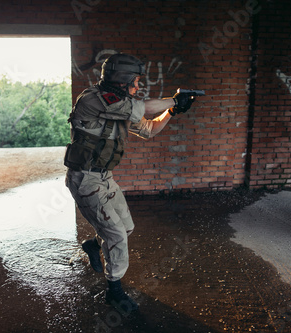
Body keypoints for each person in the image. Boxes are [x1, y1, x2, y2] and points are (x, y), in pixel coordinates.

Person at [64, 53, 194, 313]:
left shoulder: (120, 106)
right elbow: (142, 108)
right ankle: (114, 291)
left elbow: (149, 129)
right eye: (134, 82)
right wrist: (173, 98)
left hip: (104, 178)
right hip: (85, 179)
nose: (137, 87)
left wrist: (172, 110)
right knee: (116, 234)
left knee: (127, 228)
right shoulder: (94, 99)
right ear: (121, 81)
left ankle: (92, 245)